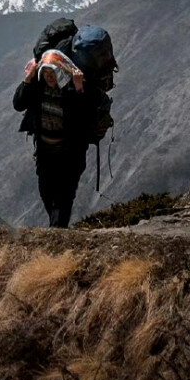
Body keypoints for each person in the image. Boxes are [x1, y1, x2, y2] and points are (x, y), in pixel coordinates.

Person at [12, 17, 116, 227]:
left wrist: (78, 89)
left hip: (71, 150)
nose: (50, 78)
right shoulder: (38, 81)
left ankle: (57, 237)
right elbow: (18, 103)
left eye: (53, 75)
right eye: (46, 74)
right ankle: (57, 232)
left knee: (63, 198)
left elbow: (84, 117)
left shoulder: (81, 84)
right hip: (44, 147)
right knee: (46, 193)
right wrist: (28, 79)